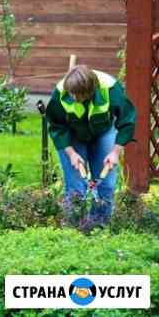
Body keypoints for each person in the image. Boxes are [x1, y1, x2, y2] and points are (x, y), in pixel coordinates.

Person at [45, 64, 136, 230]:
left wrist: (115, 152)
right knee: (76, 188)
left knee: (106, 184)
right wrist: (72, 154)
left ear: (91, 90)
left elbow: (127, 121)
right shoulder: (61, 93)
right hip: (72, 136)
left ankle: (98, 228)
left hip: (103, 132)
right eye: (72, 94)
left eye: (79, 96)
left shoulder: (110, 88)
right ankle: (72, 231)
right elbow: (57, 127)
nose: (74, 98)